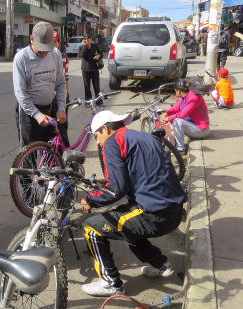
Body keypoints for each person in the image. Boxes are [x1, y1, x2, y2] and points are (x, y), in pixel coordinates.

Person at [80, 110, 187, 297]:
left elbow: (116, 189)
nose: (97, 142)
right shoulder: (144, 136)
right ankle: (160, 264)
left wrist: (90, 199)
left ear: (105, 129)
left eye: (97, 136)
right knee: (124, 219)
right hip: (175, 211)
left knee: (91, 228)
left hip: (154, 214)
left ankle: (110, 283)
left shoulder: (112, 142)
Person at [13, 21, 67, 147]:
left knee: (53, 152)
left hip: (50, 108)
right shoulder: (21, 58)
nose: (44, 53)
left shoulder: (55, 54)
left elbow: (60, 84)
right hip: (29, 113)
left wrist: (61, 109)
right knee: (28, 155)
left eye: (47, 49)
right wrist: (37, 114)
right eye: (40, 49)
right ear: (31, 39)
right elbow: (20, 93)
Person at [161, 79, 210, 155]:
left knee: (177, 121)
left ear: (178, 90)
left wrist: (168, 118)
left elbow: (182, 114)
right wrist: (166, 113)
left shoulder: (194, 98)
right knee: (172, 119)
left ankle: (180, 149)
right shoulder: (183, 96)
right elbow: (175, 108)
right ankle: (172, 143)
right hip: (192, 125)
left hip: (201, 130)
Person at [54, 30, 70, 148]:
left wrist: (66, 95)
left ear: (59, 43)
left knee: (63, 127)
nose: (52, 45)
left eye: (55, 42)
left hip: (61, 97)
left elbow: (66, 77)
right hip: (49, 98)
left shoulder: (63, 57)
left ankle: (66, 153)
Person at [78, 34, 104, 107]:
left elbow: (101, 54)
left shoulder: (95, 46)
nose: (87, 40)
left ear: (91, 39)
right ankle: (88, 102)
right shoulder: (81, 47)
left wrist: (99, 56)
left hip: (94, 69)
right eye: (85, 39)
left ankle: (99, 102)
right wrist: (85, 46)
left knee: (96, 86)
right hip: (85, 70)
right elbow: (82, 55)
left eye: (88, 38)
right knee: (87, 87)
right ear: (83, 40)